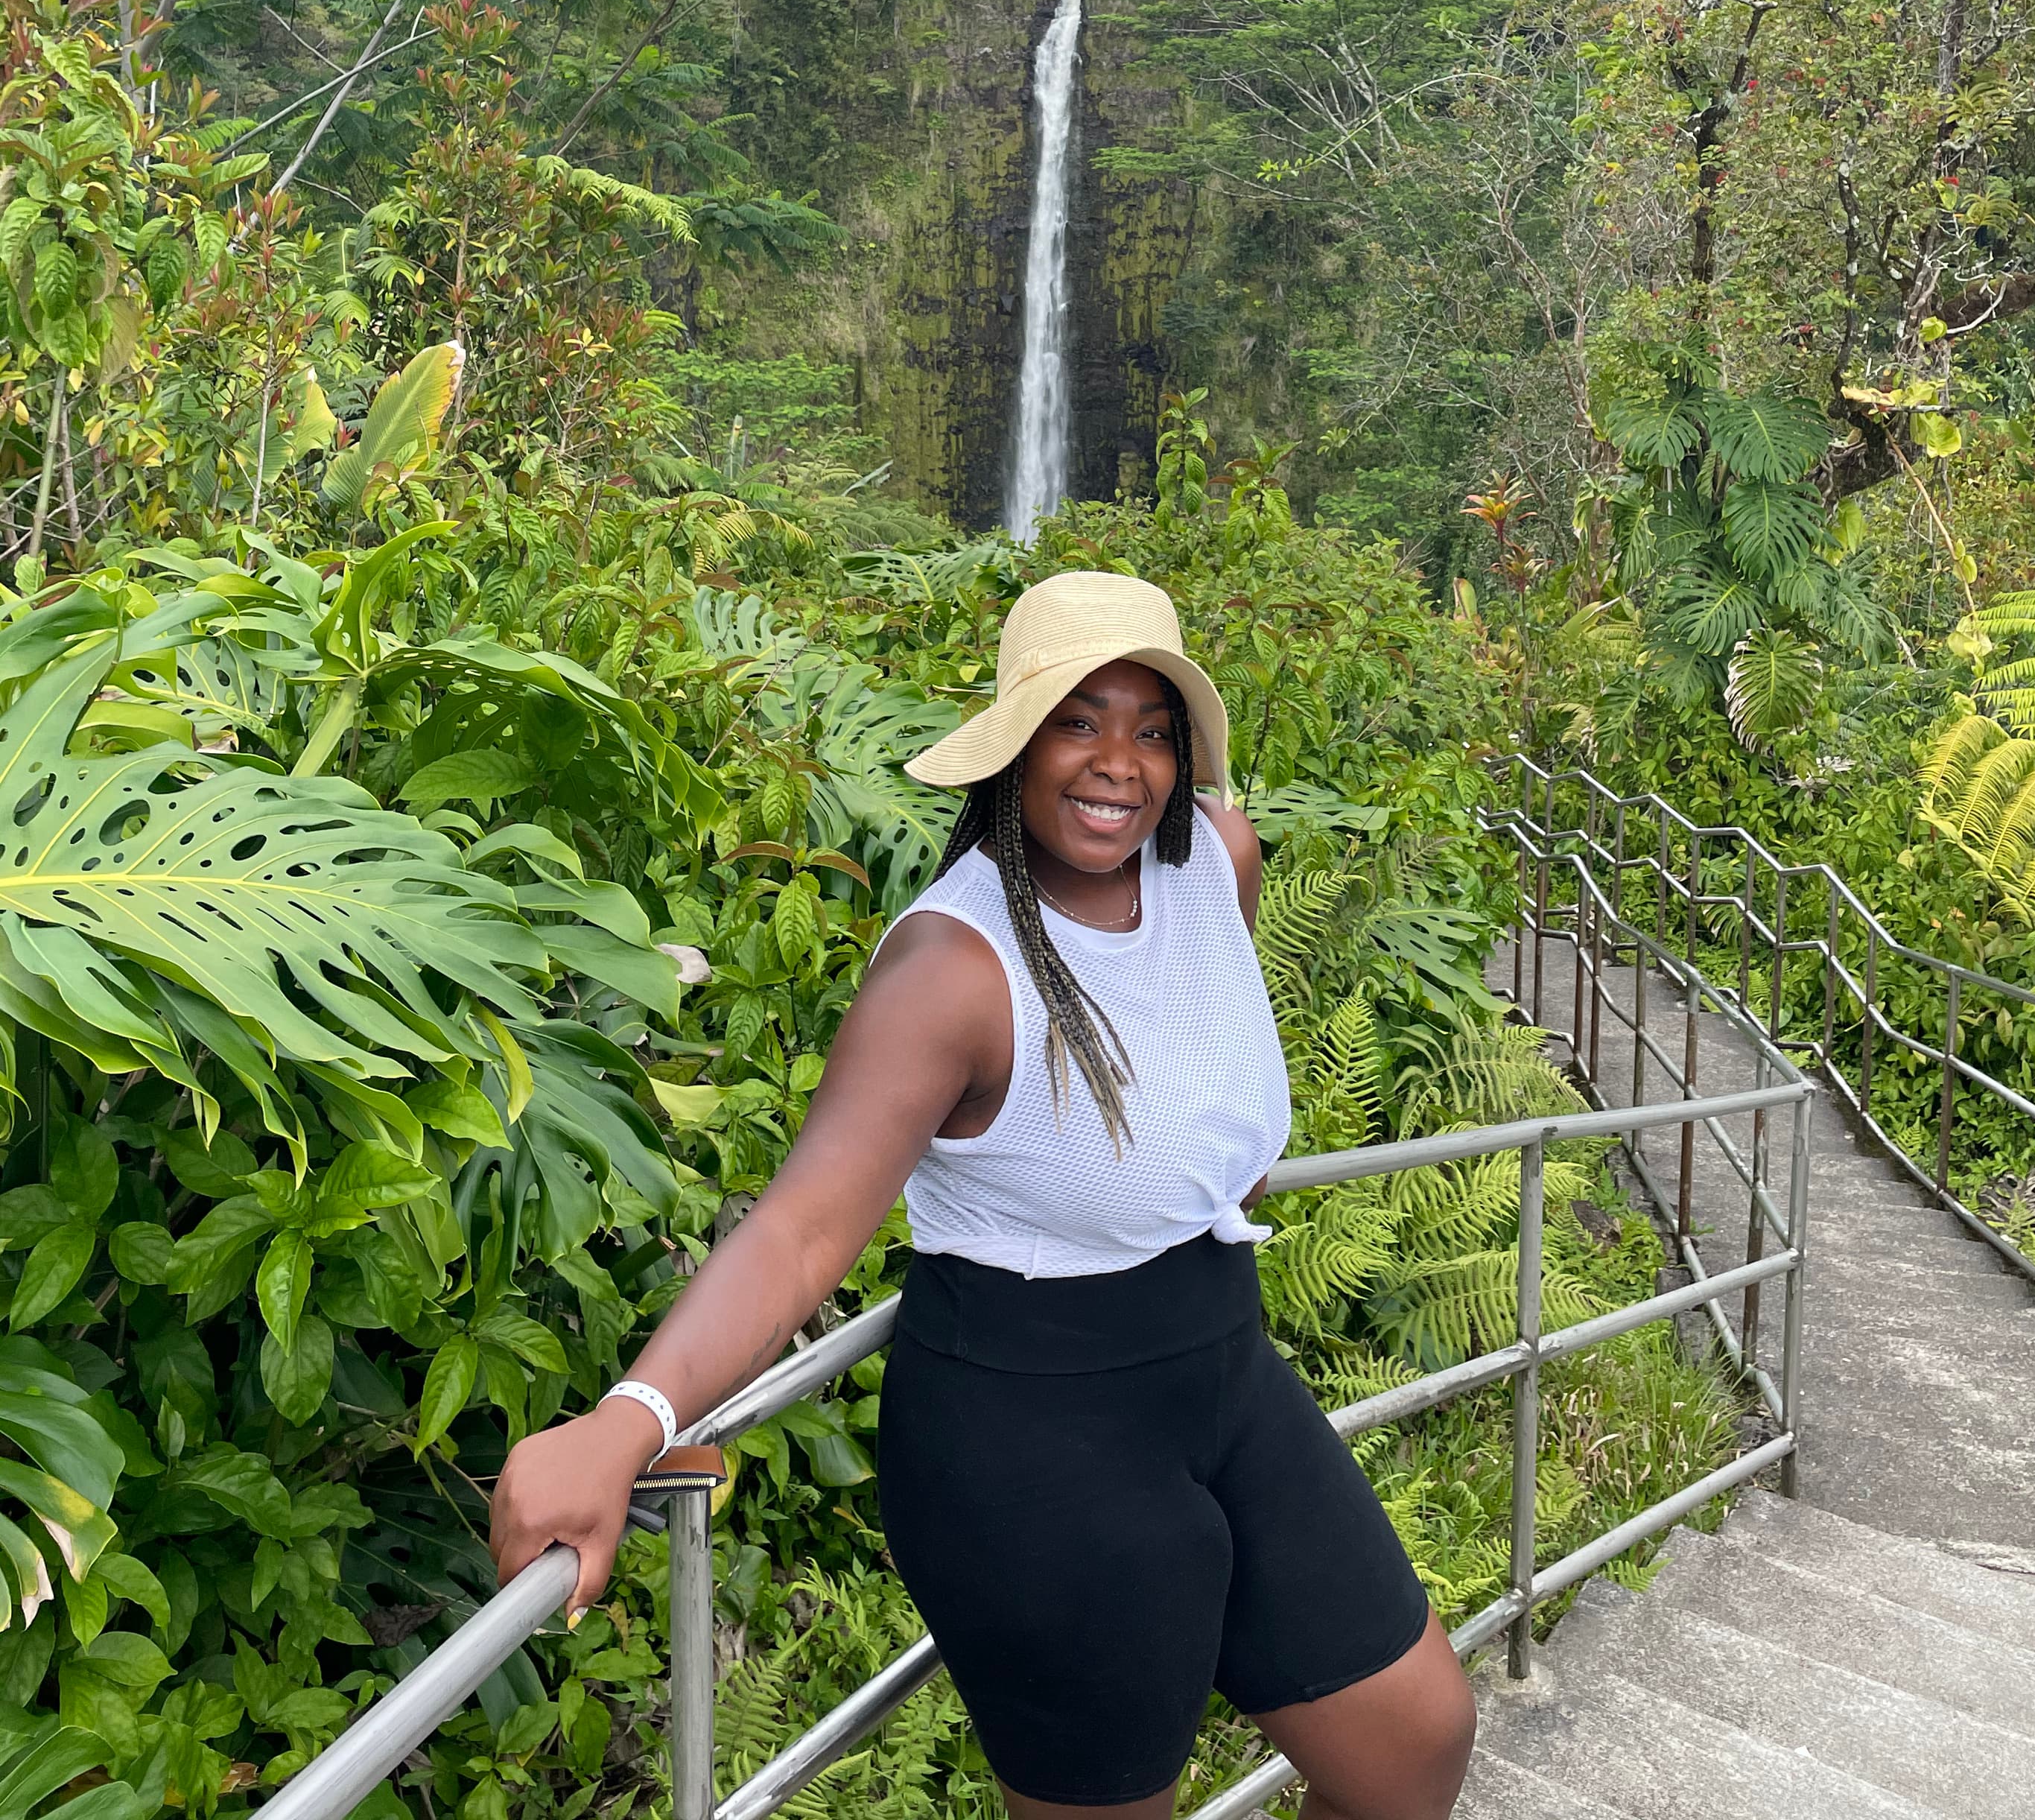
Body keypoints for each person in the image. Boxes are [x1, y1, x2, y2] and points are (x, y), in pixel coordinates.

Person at [491, 570, 1477, 1820]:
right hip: (1033, 1444)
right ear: (1013, 743)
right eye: (1079, 719)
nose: (1119, 763)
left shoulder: (1219, 860)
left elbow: (1198, 1044)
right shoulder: (953, 969)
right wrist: (627, 1420)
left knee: (1416, 1744)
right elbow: (802, 1229)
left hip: (1223, 1372)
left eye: (1153, 727)